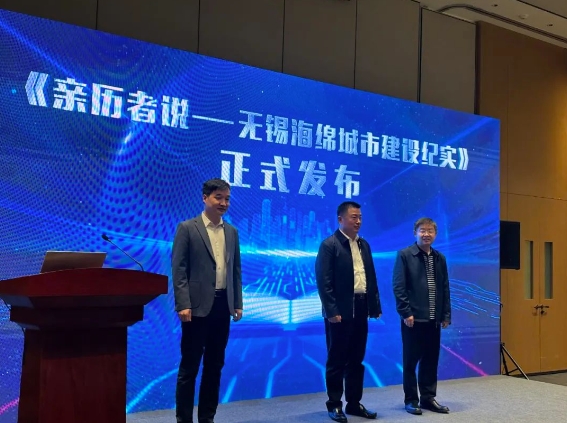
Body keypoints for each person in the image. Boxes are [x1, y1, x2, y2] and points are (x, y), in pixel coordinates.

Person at [172, 178, 243, 423]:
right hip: (195, 308)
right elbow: (179, 270)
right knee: (189, 367)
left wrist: (237, 302)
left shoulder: (232, 232)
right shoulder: (187, 228)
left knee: (214, 366)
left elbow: (235, 270)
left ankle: (207, 418)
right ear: (205, 198)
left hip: (223, 306)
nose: (224, 203)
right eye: (218, 198)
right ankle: (184, 419)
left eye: (227, 199)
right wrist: (183, 304)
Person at [315, 201, 382, 423]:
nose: (358, 221)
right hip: (340, 311)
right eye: (354, 217)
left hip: (361, 307)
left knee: (356, 359)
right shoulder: (329, 245)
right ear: (340, 219)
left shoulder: (364, 245)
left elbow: (370, 277)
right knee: (337, 359)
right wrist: (331, 310)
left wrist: (374, 306)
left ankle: (354, 403)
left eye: (360, 217)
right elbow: (324, 282)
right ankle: (334, 404)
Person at [392, 217, 451, 415]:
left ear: (435, 234)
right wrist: (405, 312)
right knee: (410, 362)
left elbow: (445, 288)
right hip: (413, 319)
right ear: (415, 233)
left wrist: (445, 314)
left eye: (430, 231)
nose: (426, 234)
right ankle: (411, 400)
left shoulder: (439, 258)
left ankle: (428, 398)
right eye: (422, 231)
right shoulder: (405, 255)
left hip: (434, 319)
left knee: (430, 360)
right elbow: (399, 287)